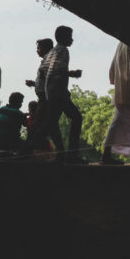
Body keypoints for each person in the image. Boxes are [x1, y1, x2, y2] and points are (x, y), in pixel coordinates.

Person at [25, 27, 85, 163]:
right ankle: (72, 155)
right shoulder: (63, 50)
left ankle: (28, 150)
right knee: (75, 118)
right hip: (58, 93)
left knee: (49, 124)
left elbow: (46, 73)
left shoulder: (52, 52)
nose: (72, 39)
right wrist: (73, 74)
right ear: (63, 37)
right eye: (70, 36)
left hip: (51, 93)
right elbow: (57, 71)